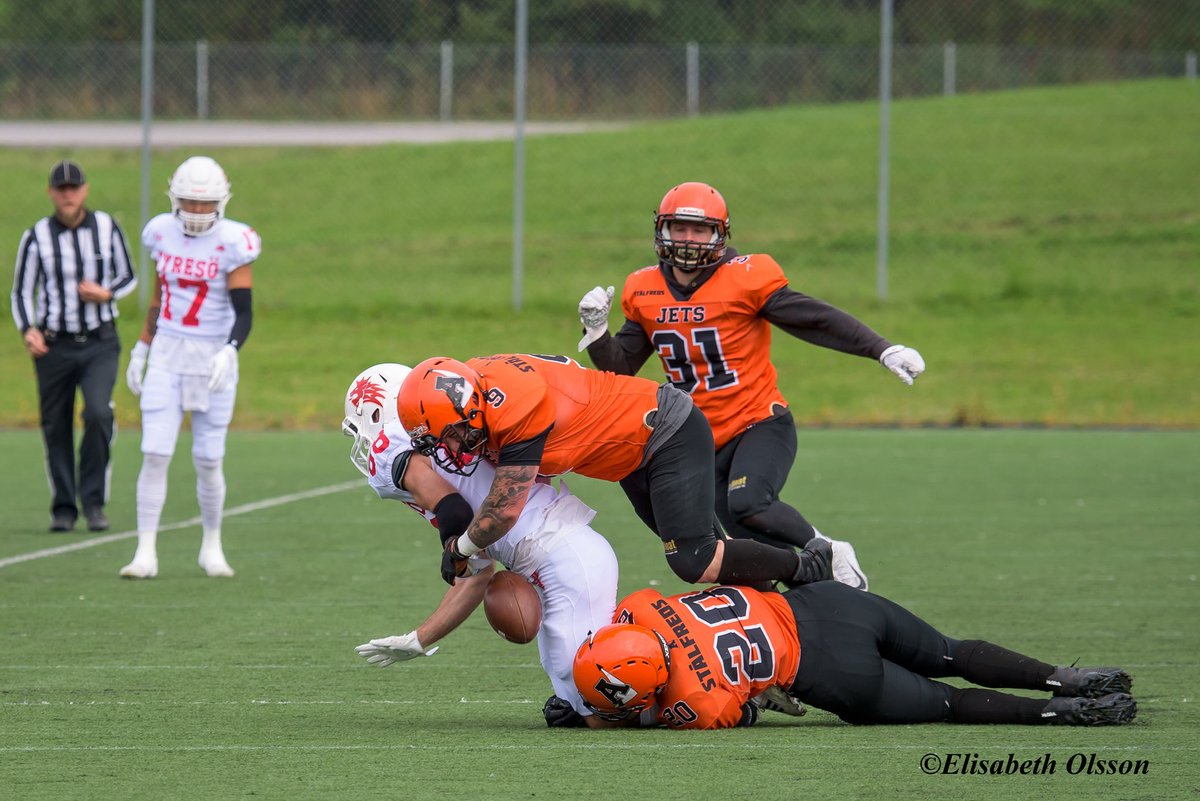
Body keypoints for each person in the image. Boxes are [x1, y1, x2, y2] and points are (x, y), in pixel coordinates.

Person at [577, 182, 929, 590]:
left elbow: (813, 318)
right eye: (679, 228)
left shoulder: (745, 276)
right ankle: (808, 599)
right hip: (698, 439)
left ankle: (827, 549)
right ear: (662, 230)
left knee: (748, 503)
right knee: (741, 553)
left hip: (758, 423)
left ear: (720, 235)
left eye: (699, 230)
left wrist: (881, 349)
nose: (688, 239)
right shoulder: (644, 288)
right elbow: (622, 369)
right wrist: (598, 331)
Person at [572, 542, 1136, 730]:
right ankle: (1065, 677)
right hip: (826, 604)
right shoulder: (641, 607)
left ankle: (1062, 714)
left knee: (950, 702)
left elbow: (733, 711)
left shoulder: (691, 703)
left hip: (829, 672)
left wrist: (602, 716)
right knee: (953, 653)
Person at [395, 354, 832, 593]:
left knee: (694, 559)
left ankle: (806, 566)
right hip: (631, 454)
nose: (450, 448)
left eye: (451, 435)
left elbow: (504, 510)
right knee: (715, 554)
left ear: (469, 406)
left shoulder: (512, 407)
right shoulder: (477, 387)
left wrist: (463, 546)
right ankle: (780, 617)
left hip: (663, 431)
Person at [341, 363, 618, 726]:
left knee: (598, 711)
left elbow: (453, 510)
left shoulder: (390, 445)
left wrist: (451, 547)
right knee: (574, 698)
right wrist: (420, 639)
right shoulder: (450, 437)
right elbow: (476, 576)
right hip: (558, 558)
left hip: (563, 556)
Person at [119, 156, 259, 579]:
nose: (197, 211)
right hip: (167, 353)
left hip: (213, 356)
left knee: (208, 458)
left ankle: (211, 545)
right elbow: (159, 297)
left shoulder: (235, 242)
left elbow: (244, 311)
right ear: (174, 199)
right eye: (189, 202)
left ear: (222, 202)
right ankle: (145, 551)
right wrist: (142, 347)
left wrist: (231, 348)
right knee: (155, 451)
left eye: (206, 203)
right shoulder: (160, 233)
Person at [11, 160, 137, 533]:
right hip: (54, 346)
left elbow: (128, 274)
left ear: (84, 190)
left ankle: (94, 501)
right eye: (61, 188)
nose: (68, 194)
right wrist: (28, 330)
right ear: (51, 192)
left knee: (99, 414)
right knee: (56, 424)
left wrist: (107, 292)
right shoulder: (36, 237)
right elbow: (22, 290)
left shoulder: (106, 227)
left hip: (99, 341)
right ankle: (64, 507)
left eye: (74, 187)